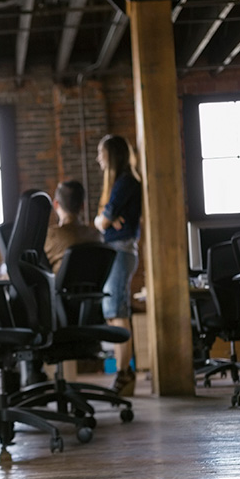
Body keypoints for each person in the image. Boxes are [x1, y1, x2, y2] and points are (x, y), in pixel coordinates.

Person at [92, 134, 142, 397]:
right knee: (114, 310)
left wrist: (104, 219)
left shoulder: (124, 182)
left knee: (117, 309)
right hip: (117, 250)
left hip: (121, 251)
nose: (98, 157)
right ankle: (123, 372)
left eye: (101, 152)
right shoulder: (120, 183)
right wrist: (107, 219)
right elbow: (107, 219)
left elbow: (103, 219)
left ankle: (124, 373)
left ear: (111, 155)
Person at [42, 179, 101, 273]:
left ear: (56, 204)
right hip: (93, 288)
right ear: (83, 205)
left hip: (59, 287)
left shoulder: (49, 236)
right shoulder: (97, 236)